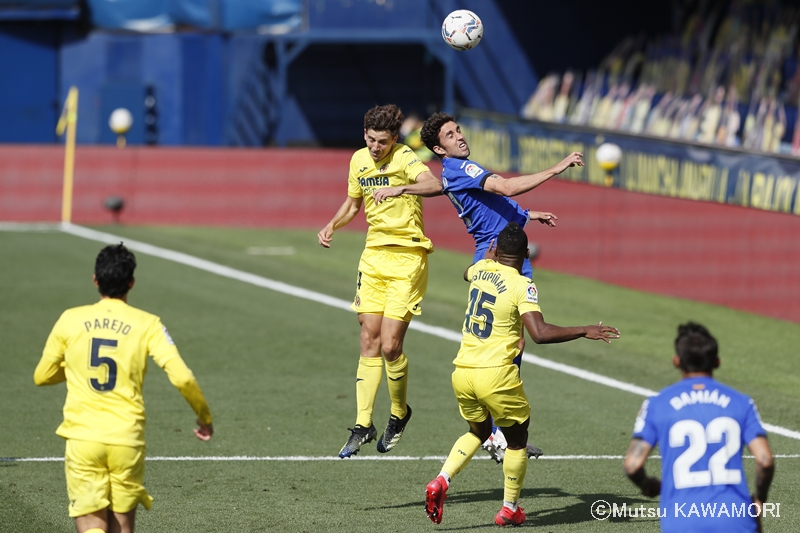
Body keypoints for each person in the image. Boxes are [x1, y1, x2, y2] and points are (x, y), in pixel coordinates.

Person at [378, 111, 583, 462]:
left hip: (490, 256)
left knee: (503, 341)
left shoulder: (454, 173)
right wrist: (557, 168)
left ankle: (494, 431)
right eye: (449, 134)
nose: (459, 136)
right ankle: (499, 434)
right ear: (439, 149)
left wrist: (527, 214)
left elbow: (488, 204)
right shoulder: (463, 168)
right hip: (503, 258)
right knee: (515, 339)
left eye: (458, 130)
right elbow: (505, 188)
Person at [424, 222, 620, 527]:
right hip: (496, 374)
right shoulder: (521, 285)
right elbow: (539, 333)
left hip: (462, 371)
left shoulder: (479, 270)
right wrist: (584, 330)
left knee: (478, 432)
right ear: (527, 254)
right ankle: (509, 508)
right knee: (517, 439)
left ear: (497, 251)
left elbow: (468, 271)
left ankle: (441, 480)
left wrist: (486, 260)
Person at [34, 243, 214, 533]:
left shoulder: (70, 318)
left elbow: (42, 376)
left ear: (95, 279)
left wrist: (77, 369)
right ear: (131, 282)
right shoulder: (148, 324)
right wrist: (204, 418)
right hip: (126, 438)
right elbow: (182, 378)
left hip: (83, 437)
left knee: (92, 526)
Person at [317, 104, 442, 458]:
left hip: (407, 257)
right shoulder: (358, 161)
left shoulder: (405, 158)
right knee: (368, 337)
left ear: (394, 139)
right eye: (370, 140)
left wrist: (401, 190)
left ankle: (400, 413)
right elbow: (353, 204)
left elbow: (435, 184)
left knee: (390, 346)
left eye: (382, 142)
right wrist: (332, 225)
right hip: (373, 258)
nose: (375, 147)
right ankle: (363, 424)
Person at [623, 322, 775, 533]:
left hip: (682, 521)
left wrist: (647, 484)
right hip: (734, 519)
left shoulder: (657, 405)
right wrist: (759, 500)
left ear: (676, 361)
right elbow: (765, 461)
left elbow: (632, 465)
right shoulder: (741, 402)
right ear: (717, 362)